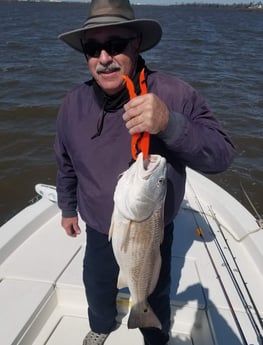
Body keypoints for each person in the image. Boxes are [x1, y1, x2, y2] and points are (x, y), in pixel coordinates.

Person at [55, 0, 236, 344]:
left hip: (151, 230)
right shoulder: (72, 104)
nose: (104, 58)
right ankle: (102, 325)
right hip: (97, 225)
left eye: (116, 45)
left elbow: (222, 156)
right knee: (96, 282)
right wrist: (67, 208)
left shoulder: (175, 94)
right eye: (93, 48)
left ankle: (156, 337)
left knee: (155, 290)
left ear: (136, 44)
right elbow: (65, 161)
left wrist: (170, 124)